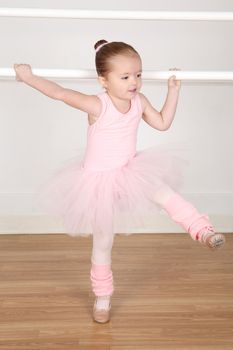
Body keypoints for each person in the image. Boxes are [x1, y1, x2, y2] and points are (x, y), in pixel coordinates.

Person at [14, 39, 225, 324]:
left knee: (166, 195)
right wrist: (28, 77)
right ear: (104, 80)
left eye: (138, 74)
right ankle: (103, 298)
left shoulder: (140, 101)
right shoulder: (96, 105)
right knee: (103, 241)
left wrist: (173, 91)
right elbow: (60, 93)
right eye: (125, 77)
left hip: (132, 172)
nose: (134, 82)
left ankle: (204, 231)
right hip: (98, 184)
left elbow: (162, 123)